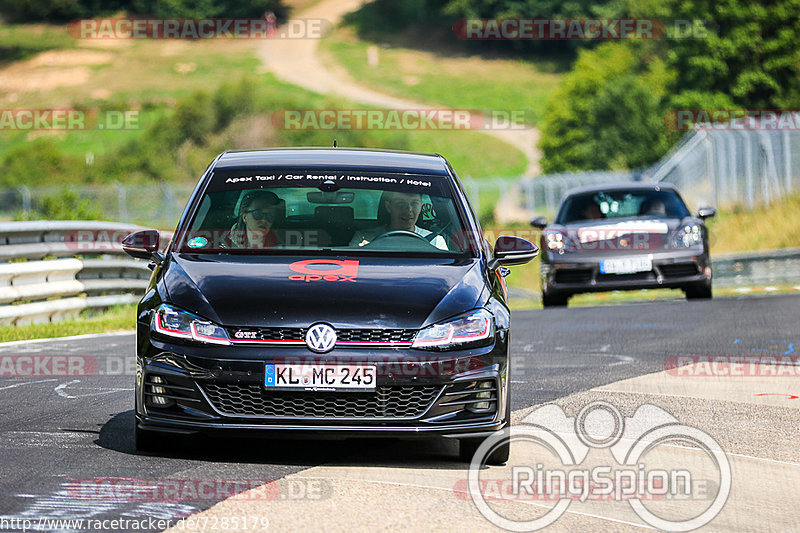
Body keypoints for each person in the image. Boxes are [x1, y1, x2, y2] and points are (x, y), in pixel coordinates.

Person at [349, 191, 447, 250]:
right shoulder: (363, 237)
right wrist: (365, 252)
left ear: (421, 206)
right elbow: (353, 270)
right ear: (388, 207)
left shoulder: (435, 241)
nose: (408, 210)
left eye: (414, 203)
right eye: (401, 204)